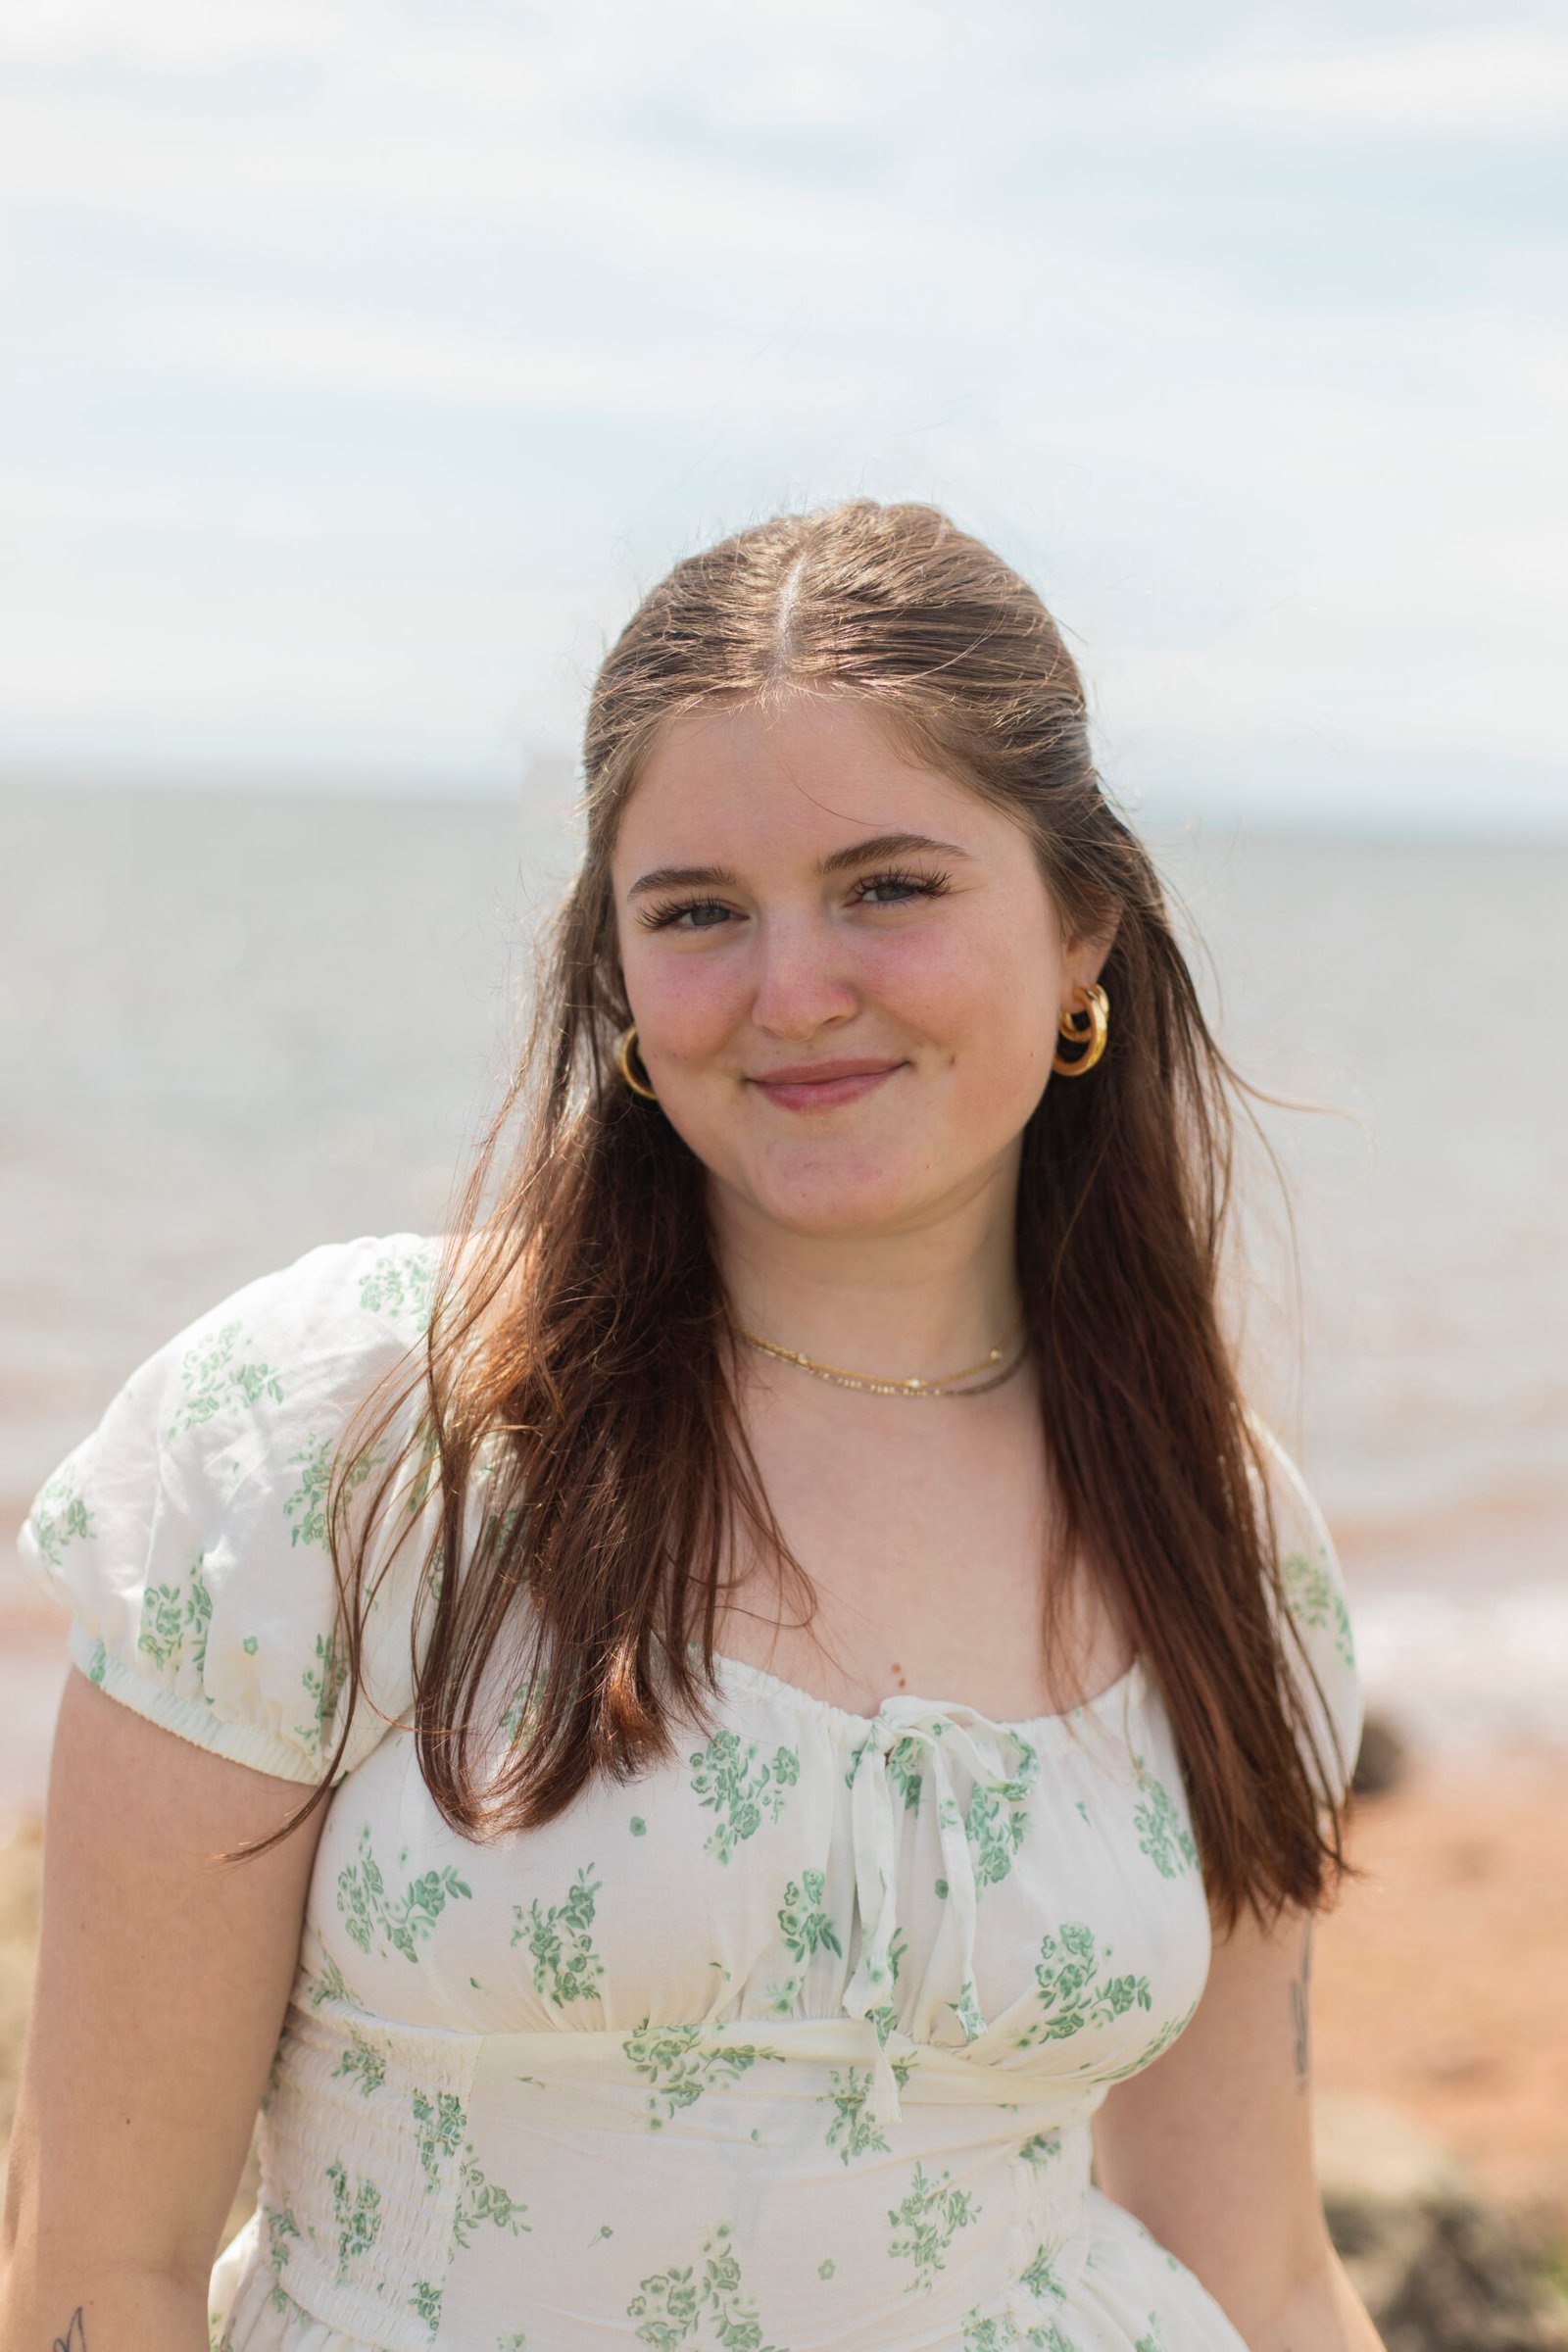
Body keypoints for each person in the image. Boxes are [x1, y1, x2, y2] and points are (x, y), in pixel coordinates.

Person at [0, 499, 1383, 2352]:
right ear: (620, 984)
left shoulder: (1214, 1521)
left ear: (1083, 935)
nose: (793, 989)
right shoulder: (333, 1429)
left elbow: (1260, 2265)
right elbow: (104, 2268)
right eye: (699, 913)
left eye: (890, 885)